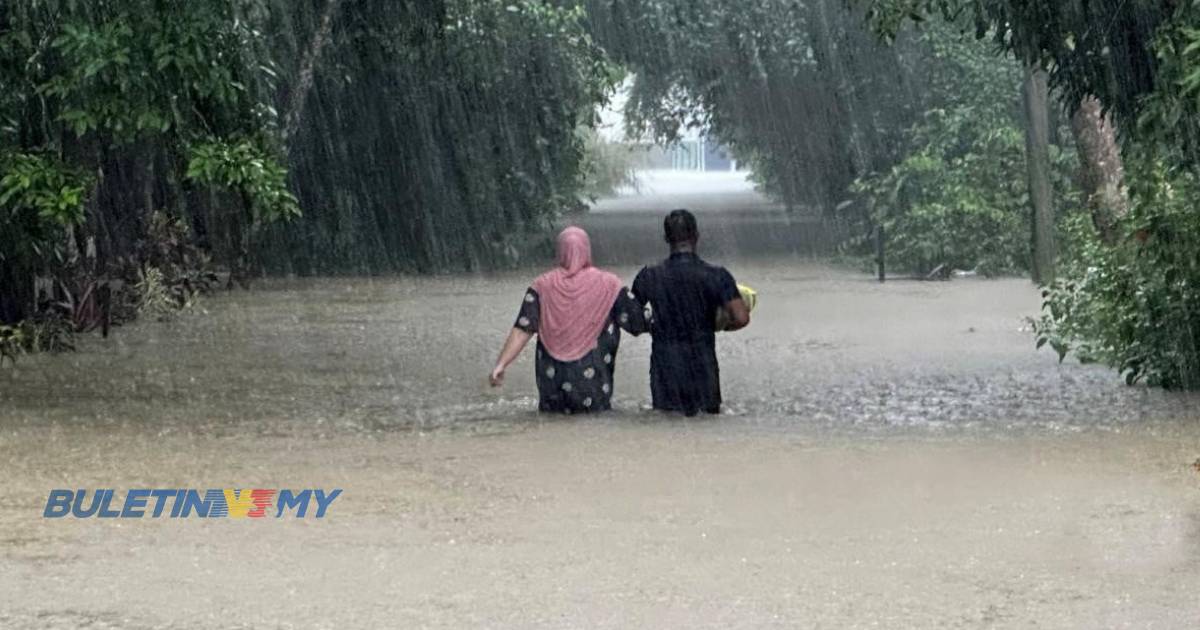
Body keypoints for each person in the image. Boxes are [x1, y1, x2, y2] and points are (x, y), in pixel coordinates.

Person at [490, 226, 647, 413]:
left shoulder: (541, 286)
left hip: (552, 384)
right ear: (587, 250)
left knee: (552, 426)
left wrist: (501, 364)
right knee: (595, 426)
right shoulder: (610, 285)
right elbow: (638, 322)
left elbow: (523, 329)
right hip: (593, 385)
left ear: (560, 252)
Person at [632, 209, 750, 416]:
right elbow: (741, 317)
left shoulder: (649, 276)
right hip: (703, 365)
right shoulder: (717, 276)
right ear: (696, 236)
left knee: (666, 423)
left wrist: (654, 327)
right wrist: (718, 326)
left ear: (666, 238)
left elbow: (632, 318)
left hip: (665, 367)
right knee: (707, 422)